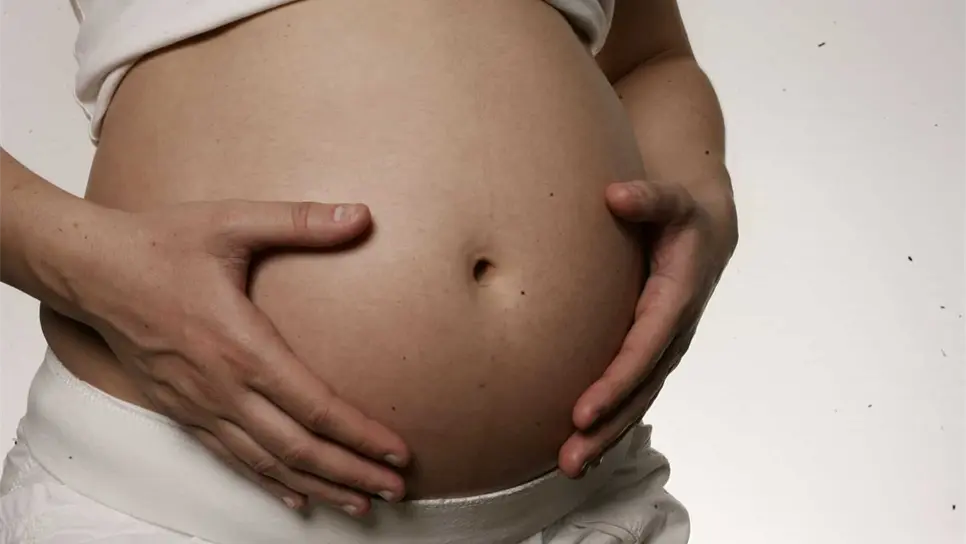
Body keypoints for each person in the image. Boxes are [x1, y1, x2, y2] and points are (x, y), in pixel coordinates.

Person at [0, 0, 737, 542]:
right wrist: (85, 267)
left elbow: (652, 59)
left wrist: (703, 193)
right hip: (178, 505)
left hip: (577, 509)